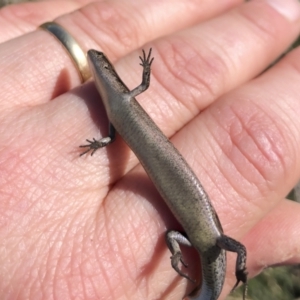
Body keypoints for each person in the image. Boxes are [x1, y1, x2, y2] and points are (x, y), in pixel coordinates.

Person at [0, 0, 299, 299]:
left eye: (102, 64)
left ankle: (239, 275)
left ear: (110, 74)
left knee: (224, 246)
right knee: (172, 238)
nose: (97, 64)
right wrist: (97, 144)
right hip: (194, 237)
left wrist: (145, 69)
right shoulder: (116, 113)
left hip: (209, 240)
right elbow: (109, 137)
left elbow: (142, 86)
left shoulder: (124, 101)